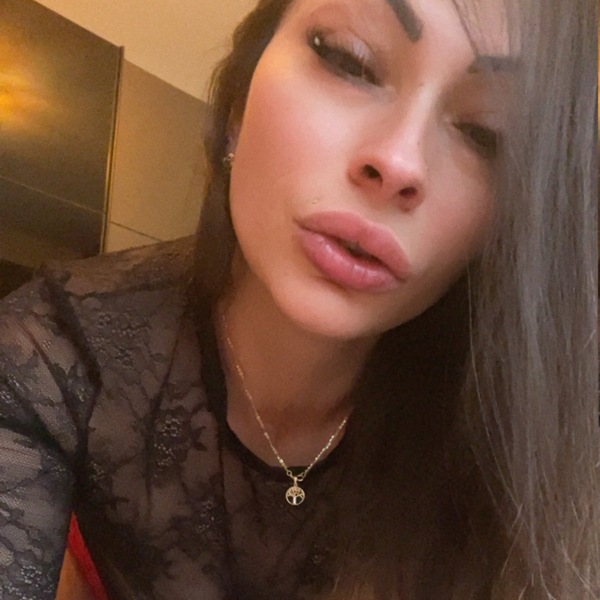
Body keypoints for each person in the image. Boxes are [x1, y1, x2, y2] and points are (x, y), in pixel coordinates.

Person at [0, 0, 597, 598]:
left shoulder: (521, 439)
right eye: (349, 60)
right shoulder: (52, 351)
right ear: (238, 102)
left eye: (485, 132)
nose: (398, 162)